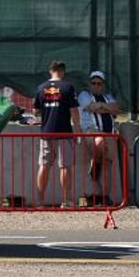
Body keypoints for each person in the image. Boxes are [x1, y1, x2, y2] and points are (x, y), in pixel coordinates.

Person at [34, 60, 81, 207]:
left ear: (50, 71)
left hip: (46, 132)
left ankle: (40, 201)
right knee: (65, 166)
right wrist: (77, 129)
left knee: (44, 165)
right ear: (63, 71)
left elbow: (36, 111)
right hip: (64, 132)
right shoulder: (68, 87)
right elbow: (74, 111)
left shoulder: (41, 87)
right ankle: (66, 201)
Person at [77, 70, 117, 204]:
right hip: (92, 131)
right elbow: (92, 107)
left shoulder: (108, 96)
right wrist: (105, 108)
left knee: (107, 164)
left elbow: (116, 109)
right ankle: (95, 160)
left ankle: (104, 196)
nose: (96, 86)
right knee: (99, 141)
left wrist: (101, 106)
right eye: (93, 83)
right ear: (89, 84)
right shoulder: (84, 95)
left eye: (99, 83)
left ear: (103, 85)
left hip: (109, 132)